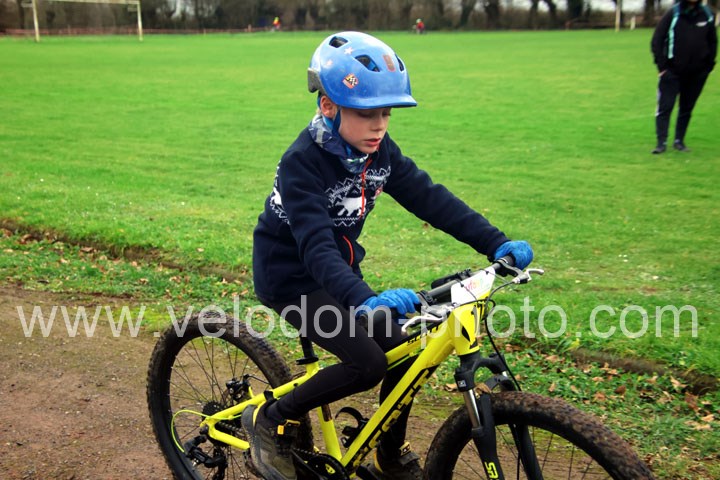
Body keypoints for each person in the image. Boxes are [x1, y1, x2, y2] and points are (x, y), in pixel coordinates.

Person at [245, 31, 534, 480]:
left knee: (408, 347)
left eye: (386, 113)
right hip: (291, 279)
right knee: (367, 364)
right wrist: (362, 299)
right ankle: (270, 417)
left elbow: (432, 199)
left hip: (340, 274)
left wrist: (496, 243)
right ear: (328, 106)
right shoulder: (302, 162)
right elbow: (316, 246)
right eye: (366, 113)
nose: (379, 125)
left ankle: (388, 453)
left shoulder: (379, 153)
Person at [650, 0, 716, 154]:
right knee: (665, 107)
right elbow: (657, 40)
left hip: (697, 73)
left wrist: (709, 65)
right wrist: (662, 68)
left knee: (686, 108)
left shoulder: (706, 14)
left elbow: (713, 41)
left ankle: (679, 141)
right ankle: (661, 143)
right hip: (672, 72)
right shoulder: (673, 13)